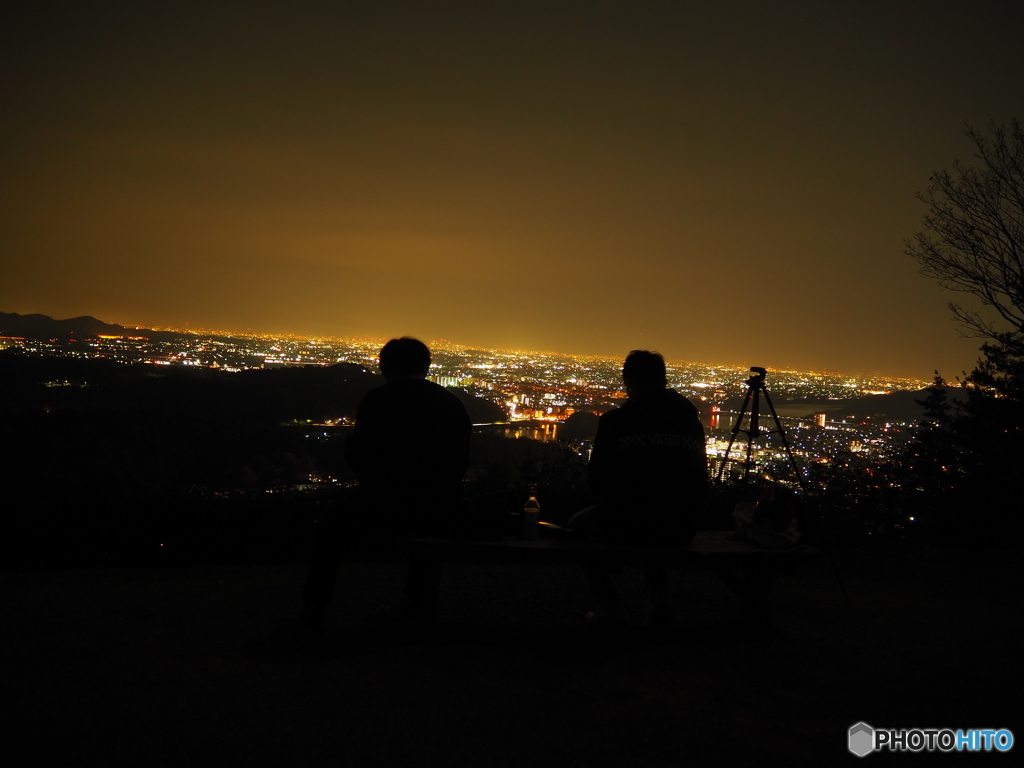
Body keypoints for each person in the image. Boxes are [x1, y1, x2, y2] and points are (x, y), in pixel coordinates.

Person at [300, 337, 472, 630]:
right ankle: (413, 600)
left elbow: (358, 458)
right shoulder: (452, 403)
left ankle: (315, 607)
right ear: (427, 367)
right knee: (427, 534)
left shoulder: (377, 400)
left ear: (385, 367)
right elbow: (460, 464)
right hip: (440, 506)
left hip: (381, 502)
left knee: (332, 524)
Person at [567, 350, 708, 626]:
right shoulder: (692, 423)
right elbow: (700, 480)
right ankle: (660, 600)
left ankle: (608, 606)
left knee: (576, 526)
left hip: (629, 521)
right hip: (681, 525)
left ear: (628, 381)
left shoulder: (616, 422)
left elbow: (598, 481)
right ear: (663, 380)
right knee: (656, 511)